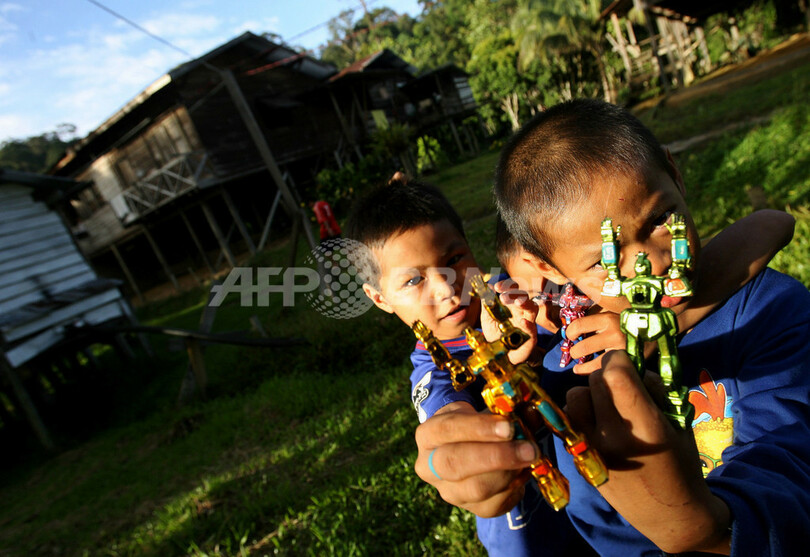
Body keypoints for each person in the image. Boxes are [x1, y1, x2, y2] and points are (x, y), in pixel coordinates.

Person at [415, 98, 807, 555]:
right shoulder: (573, 362)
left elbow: (793, 478)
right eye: (605, 259)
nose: (654, 265)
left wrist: (694, 527)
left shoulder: (769, 312)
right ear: (549, 269)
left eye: (660, 220)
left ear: (674, 174)